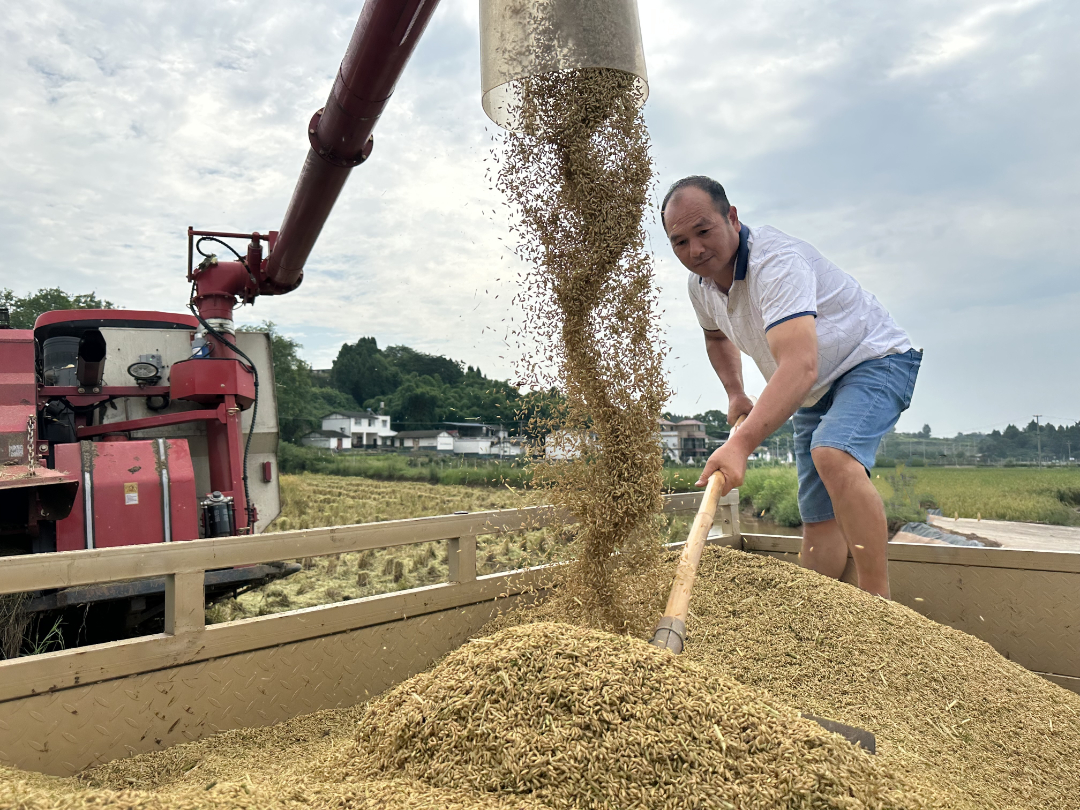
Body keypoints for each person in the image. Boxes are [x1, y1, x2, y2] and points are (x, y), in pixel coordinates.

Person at [662, 176, 920, 597]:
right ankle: (814, 606)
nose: (695, 250)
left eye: (703, 231)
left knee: (832, 453)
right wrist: (735, 393)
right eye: (680, 242)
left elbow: (799, 365)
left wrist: (741, 445)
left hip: (871, 359)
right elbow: (715, 336)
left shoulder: (775, 263)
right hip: (813, 388)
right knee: (817, 518)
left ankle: (880, 604)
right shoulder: (701, 286)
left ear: (732, 217)